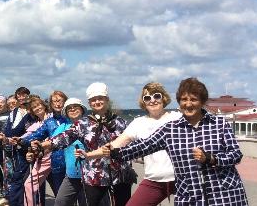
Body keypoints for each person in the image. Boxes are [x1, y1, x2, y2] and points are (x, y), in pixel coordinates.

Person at [104, 78, 249, 206]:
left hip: (225, 194)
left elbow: (236, 154)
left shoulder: (219, 123)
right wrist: (115, 152)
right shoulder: (171, 129)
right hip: (191, 196)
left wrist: (211, 158)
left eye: (193, 99)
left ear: (202, 102)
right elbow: (144, 146)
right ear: (179, 102)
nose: (188, 104)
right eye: (184, 100)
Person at [40, 83, 136, 206]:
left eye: (100, 98)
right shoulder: (83, 123)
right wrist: (42, 145)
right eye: (93, 100)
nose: (97, 102)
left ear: (107, 100)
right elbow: (63, 137)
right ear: (89, 103)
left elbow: (132, 143)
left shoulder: (120, 122)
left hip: (121, 174)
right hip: (95, 175)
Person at [85, 82, 180, 205]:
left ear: (163, 98)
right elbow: (115, 144)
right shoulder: (138, 123)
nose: (152, 100)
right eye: (147, 98)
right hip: (154, 180)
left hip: (181, 178)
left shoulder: (178, 118)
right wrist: (88, 155)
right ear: (143, 102)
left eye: (156, 96)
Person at [44, 98, 88, 206]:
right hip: (71, 176)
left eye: (75, 107)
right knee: (60, 202)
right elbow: (51, 143)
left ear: (82, 109)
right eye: (69, 108)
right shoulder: (63, 127)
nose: (72, 109)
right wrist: (37, 149)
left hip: (89, 176)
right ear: (66, 113)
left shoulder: (90, 125)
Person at [46, 90, 69, 197]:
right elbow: (37, 134)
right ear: (51, 104)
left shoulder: (72, 118)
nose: (57, 104)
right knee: (60, 196)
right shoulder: (49, 122)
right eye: (54, 101)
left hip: (73, 162)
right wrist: (23, 141)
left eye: (60, 101)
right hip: (57, 162)